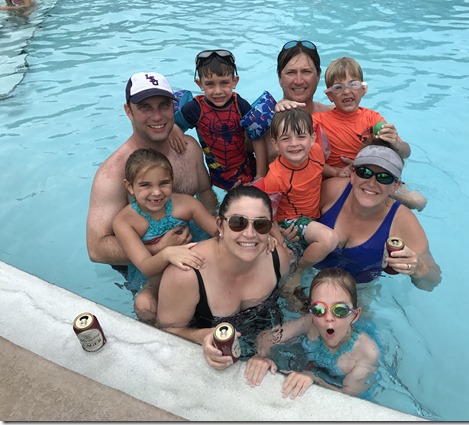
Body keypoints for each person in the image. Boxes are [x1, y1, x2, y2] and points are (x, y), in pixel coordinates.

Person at [86, 71, 218, 280]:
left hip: (195, 246)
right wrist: (158, 248)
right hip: (146, 270)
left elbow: (205, 192)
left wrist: (211, 233)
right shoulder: (112, 173)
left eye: (163, 106)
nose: (157, 116)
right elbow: (96, 249)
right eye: (145, 107)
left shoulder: (189, 148)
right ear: (128, 111)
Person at [156, 185, 291, 368]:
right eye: (238, 223)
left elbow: (287, 296)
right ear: (220, 225)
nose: (250, 234)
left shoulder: (277, 258)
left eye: (260, 225)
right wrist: (201, 336)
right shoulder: (186, 274)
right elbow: (164, 332)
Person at [314, 143, 442, 291]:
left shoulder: (402, 221)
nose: (371, 183)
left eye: (384, 177)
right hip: (309, 271)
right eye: (364, 172)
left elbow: (431, 283)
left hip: (359, 289)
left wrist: (418, 268)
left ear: (395, 186)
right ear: (353, 175)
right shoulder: (332, 191)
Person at [112, 148, 218, 322]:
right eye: (145, 185)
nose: (156, 192)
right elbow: (146, 266)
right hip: (155, 275)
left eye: (164, 183)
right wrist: (168, 253)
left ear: (172, 181)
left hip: (195, 259)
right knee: (144, 305)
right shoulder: (125, 221)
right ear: (130, 187)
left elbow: (219, 233)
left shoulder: (185, 204)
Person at [244, 267, 380, 400]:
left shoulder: (367, 352)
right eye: (318, 309)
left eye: (340, 310)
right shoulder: (310, 323)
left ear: (354, 315)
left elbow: (349, 397)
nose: (328, 318)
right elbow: (266, 337)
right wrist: (261, 357)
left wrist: (315, 380)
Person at [313, 56, 426, 211]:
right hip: (341, 180)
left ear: (363, 89)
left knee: (418, 201)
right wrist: (336, 171)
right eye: (338, 87)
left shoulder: (372, 119)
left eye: (353, 84)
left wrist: (396, 143)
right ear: (329, 95)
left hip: (372, 177)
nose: (346, 91)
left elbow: (406, 153)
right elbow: (309, 161)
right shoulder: (318, 122)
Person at [254, 108, 338, 292]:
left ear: (312, 138)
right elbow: (268, 215)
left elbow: (320, 167)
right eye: (286, 138)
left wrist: (337, 172)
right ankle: (298, 271)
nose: (294, 144)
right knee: (329, 239)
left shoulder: (316, 152)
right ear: (275, 144)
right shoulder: (276, 177)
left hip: (312, 214)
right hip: (290, 221)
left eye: (301, 136)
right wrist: (282, 242)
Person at [172, 49, 268, 190]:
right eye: (210, 84)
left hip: (246, 167)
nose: (218, 91)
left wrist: (260, 176)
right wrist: (173, 128)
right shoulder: (195, 108)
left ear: (234, 81)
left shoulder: (240, 104)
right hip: (219, 174)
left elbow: (257, 137)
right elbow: (174, 126)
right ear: (200, 84)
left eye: (224, 83)